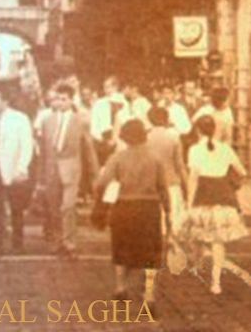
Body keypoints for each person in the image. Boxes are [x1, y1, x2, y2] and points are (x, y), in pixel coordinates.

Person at [94, 119, 169, 311]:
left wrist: (103, 203)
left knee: (121, 247)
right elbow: (163, 188)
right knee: (151, 252)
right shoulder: (155, 158)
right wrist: (168, 212)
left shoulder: (117, 158)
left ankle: (121, 286)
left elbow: (102, 183)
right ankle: (149, 295)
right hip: (149, 207)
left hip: (124, 207)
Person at [181, 115, 247, 295]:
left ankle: (196, 266)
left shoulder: (194, 149)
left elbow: (193, 177)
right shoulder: (226, 148)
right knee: (218, 242)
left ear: (198, 130)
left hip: (202, 195)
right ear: (215, 129)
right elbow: (242, 171)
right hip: (224, 195)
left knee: (197, 236)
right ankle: (215, 282)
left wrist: (188, 202)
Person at [39, 84, 99, 258]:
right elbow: (43, 150)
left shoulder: (80, 120)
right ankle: (57, 241)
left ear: (72, 100)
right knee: (53, 207)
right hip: (51, 168)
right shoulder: (47, 121)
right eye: (58, 99)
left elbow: (89, 148)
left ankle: (70, 243)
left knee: (68, 206)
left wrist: (96, 173)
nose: (60, 102)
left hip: (71, 167)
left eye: (64, 99)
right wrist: (40, 175)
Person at [0, 85, 34, 258]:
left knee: (16, 206)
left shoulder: (19, 119)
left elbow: (27, 145)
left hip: (12, 166)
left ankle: (17, 242)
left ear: (5, 100)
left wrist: (22, 167)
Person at [147, 106, 187, 232]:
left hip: (150, 185)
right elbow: (179, 165)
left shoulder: (145, 138)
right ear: (166, 119)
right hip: (171, 183)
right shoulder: (173, 137)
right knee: (174, 224)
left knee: (153, 226)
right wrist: (186, 186)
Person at [90, 76, 127, 165]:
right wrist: (103, 141)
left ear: (117, 87)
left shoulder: (124, 103)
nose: (108, 90)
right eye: (105, 87)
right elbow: (94, 125)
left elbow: (126, 121)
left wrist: (117, 139)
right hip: (104, 141)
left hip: (121, 140)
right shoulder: (99, 104)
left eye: (110, 86)